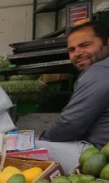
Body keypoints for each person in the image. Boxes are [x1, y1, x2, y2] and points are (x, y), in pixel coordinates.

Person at [37, 21, 109, 173]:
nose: (77, 52)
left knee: (28, 148)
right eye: (72, 49)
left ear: (107, 43)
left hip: (99, 157)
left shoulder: (99, 71)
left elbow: (71, 124)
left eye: (85, 45)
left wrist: (42, 138)